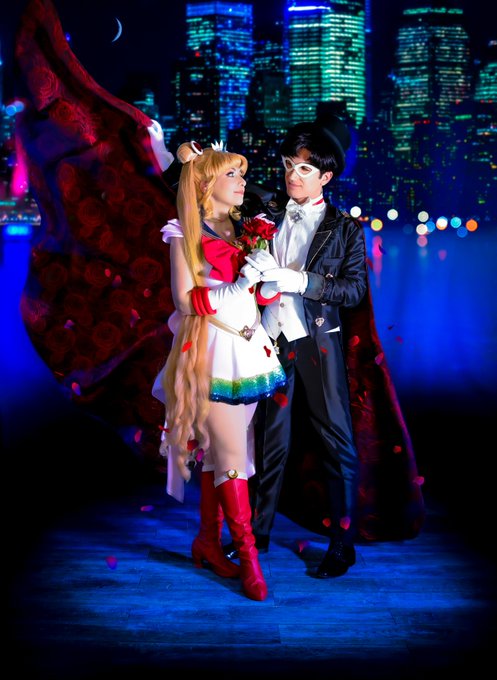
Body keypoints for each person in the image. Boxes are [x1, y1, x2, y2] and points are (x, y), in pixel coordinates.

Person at [224, 111, 424, 577]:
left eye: (304, 168)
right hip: (268, 343)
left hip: (317, 344)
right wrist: (171, 153)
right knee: (270, 442)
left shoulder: (345, 229)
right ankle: (257, 535)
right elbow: (206, 188)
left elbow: (353, 291)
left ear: (326, 177)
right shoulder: (265, 209)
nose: (293, 175)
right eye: (288, 165)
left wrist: (300, 280)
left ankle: (342, 544)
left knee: (336, 443)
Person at [152, 141, 286, 601]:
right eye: (232, 174)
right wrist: (239, 285)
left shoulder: (247, 229)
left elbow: (259, 297)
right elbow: (185, 300)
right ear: (207, 184)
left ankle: (208, 542)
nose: (243, 181)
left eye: (241, 174)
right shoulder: (183, 232)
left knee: (219, 456)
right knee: (231, 460)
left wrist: (266, 283)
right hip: (212, 352)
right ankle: (248, 559)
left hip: (250, 351)